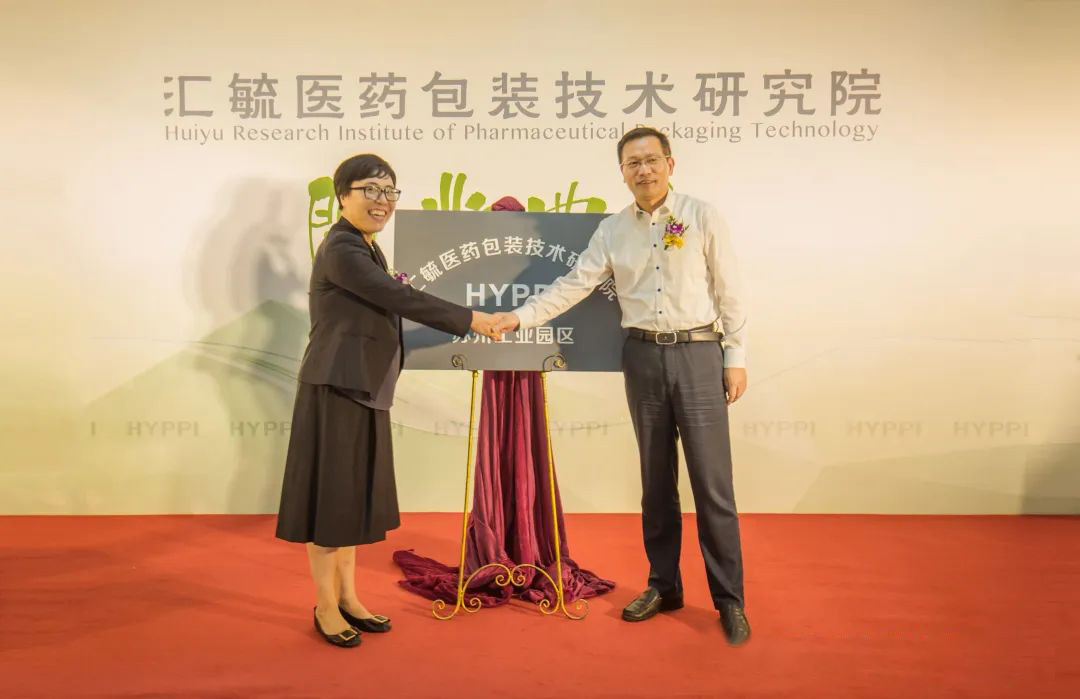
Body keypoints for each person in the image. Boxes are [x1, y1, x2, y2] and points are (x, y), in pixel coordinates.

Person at [492, 127, 752, 646]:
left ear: (671, 164)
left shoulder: (702, 216)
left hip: (700, 354)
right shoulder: (612, 230)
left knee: (712, 484)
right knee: (655, 481)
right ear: (622, 172)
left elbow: (731, 291)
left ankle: (729, 600)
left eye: (652, 160)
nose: (643, 170)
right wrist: (519, 318)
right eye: (633, 163)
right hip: (642, 356)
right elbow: (574, 285)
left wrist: (735, 357)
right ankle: (664, 586)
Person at [276, 153, 501, 648]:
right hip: (337, 386)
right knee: (332, 502)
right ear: (342, 196)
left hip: (363, 386)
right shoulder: (343, 248)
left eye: (389, 191)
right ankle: (325, 605)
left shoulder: (366, 246)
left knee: (352, 500)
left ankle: (349, 598)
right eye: (370, 190)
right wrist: (471, 320)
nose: (382, 201)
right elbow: (399, 298)